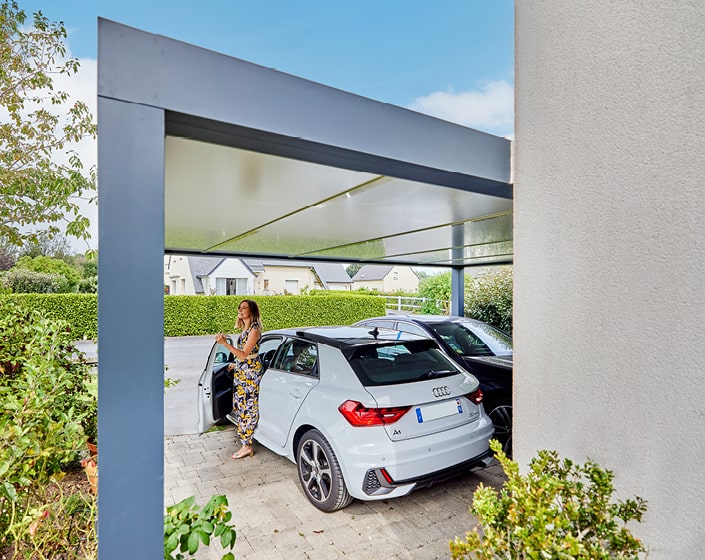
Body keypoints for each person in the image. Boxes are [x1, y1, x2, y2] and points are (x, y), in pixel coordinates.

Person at [215, 299, 263, 460]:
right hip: (243, 370)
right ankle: (244, 442)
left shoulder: (255, 329)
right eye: (239, 308)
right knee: (241, 405)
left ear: (252, 311)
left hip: (250, 373)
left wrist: (224, 344)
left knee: (248, 407)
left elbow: (244, 354)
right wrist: (235, 365)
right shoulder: (245, 328)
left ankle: (247, 446)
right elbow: (245, 356)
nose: (240, 310)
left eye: (244, 308)